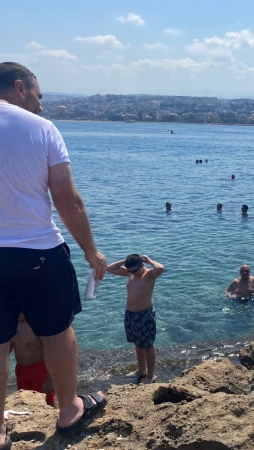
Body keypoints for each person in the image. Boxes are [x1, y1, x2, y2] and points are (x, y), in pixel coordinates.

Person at [0, 62, 107, 442]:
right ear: (20, 88)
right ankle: (69, 409)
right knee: (58, 333)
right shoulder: (42, 128)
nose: (41, 105)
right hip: (39, 252)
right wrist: (91, 252)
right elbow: (67, 199)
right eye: (38, 95)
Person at [107, 254, 164, 383]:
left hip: (145, 314)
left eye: (134, 270)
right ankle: (141, 370)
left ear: (142, 265)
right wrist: (126, 261)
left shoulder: (149, 275)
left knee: (148, 345)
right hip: (130, 314)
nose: (132, 273)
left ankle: (150, 375)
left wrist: (149, 260)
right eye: (130, 270)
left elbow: (160, 268)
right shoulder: (130, 273)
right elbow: (110, 269)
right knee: (137, 343)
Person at [10, 315, 56, 407]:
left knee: (48, 401)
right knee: (24, 400)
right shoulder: (12, 327)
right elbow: (6, 350)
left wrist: (50, 379)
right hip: (21, 371)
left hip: (41, 370)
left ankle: (57, 414)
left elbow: (52, 352)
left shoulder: (37, 326)